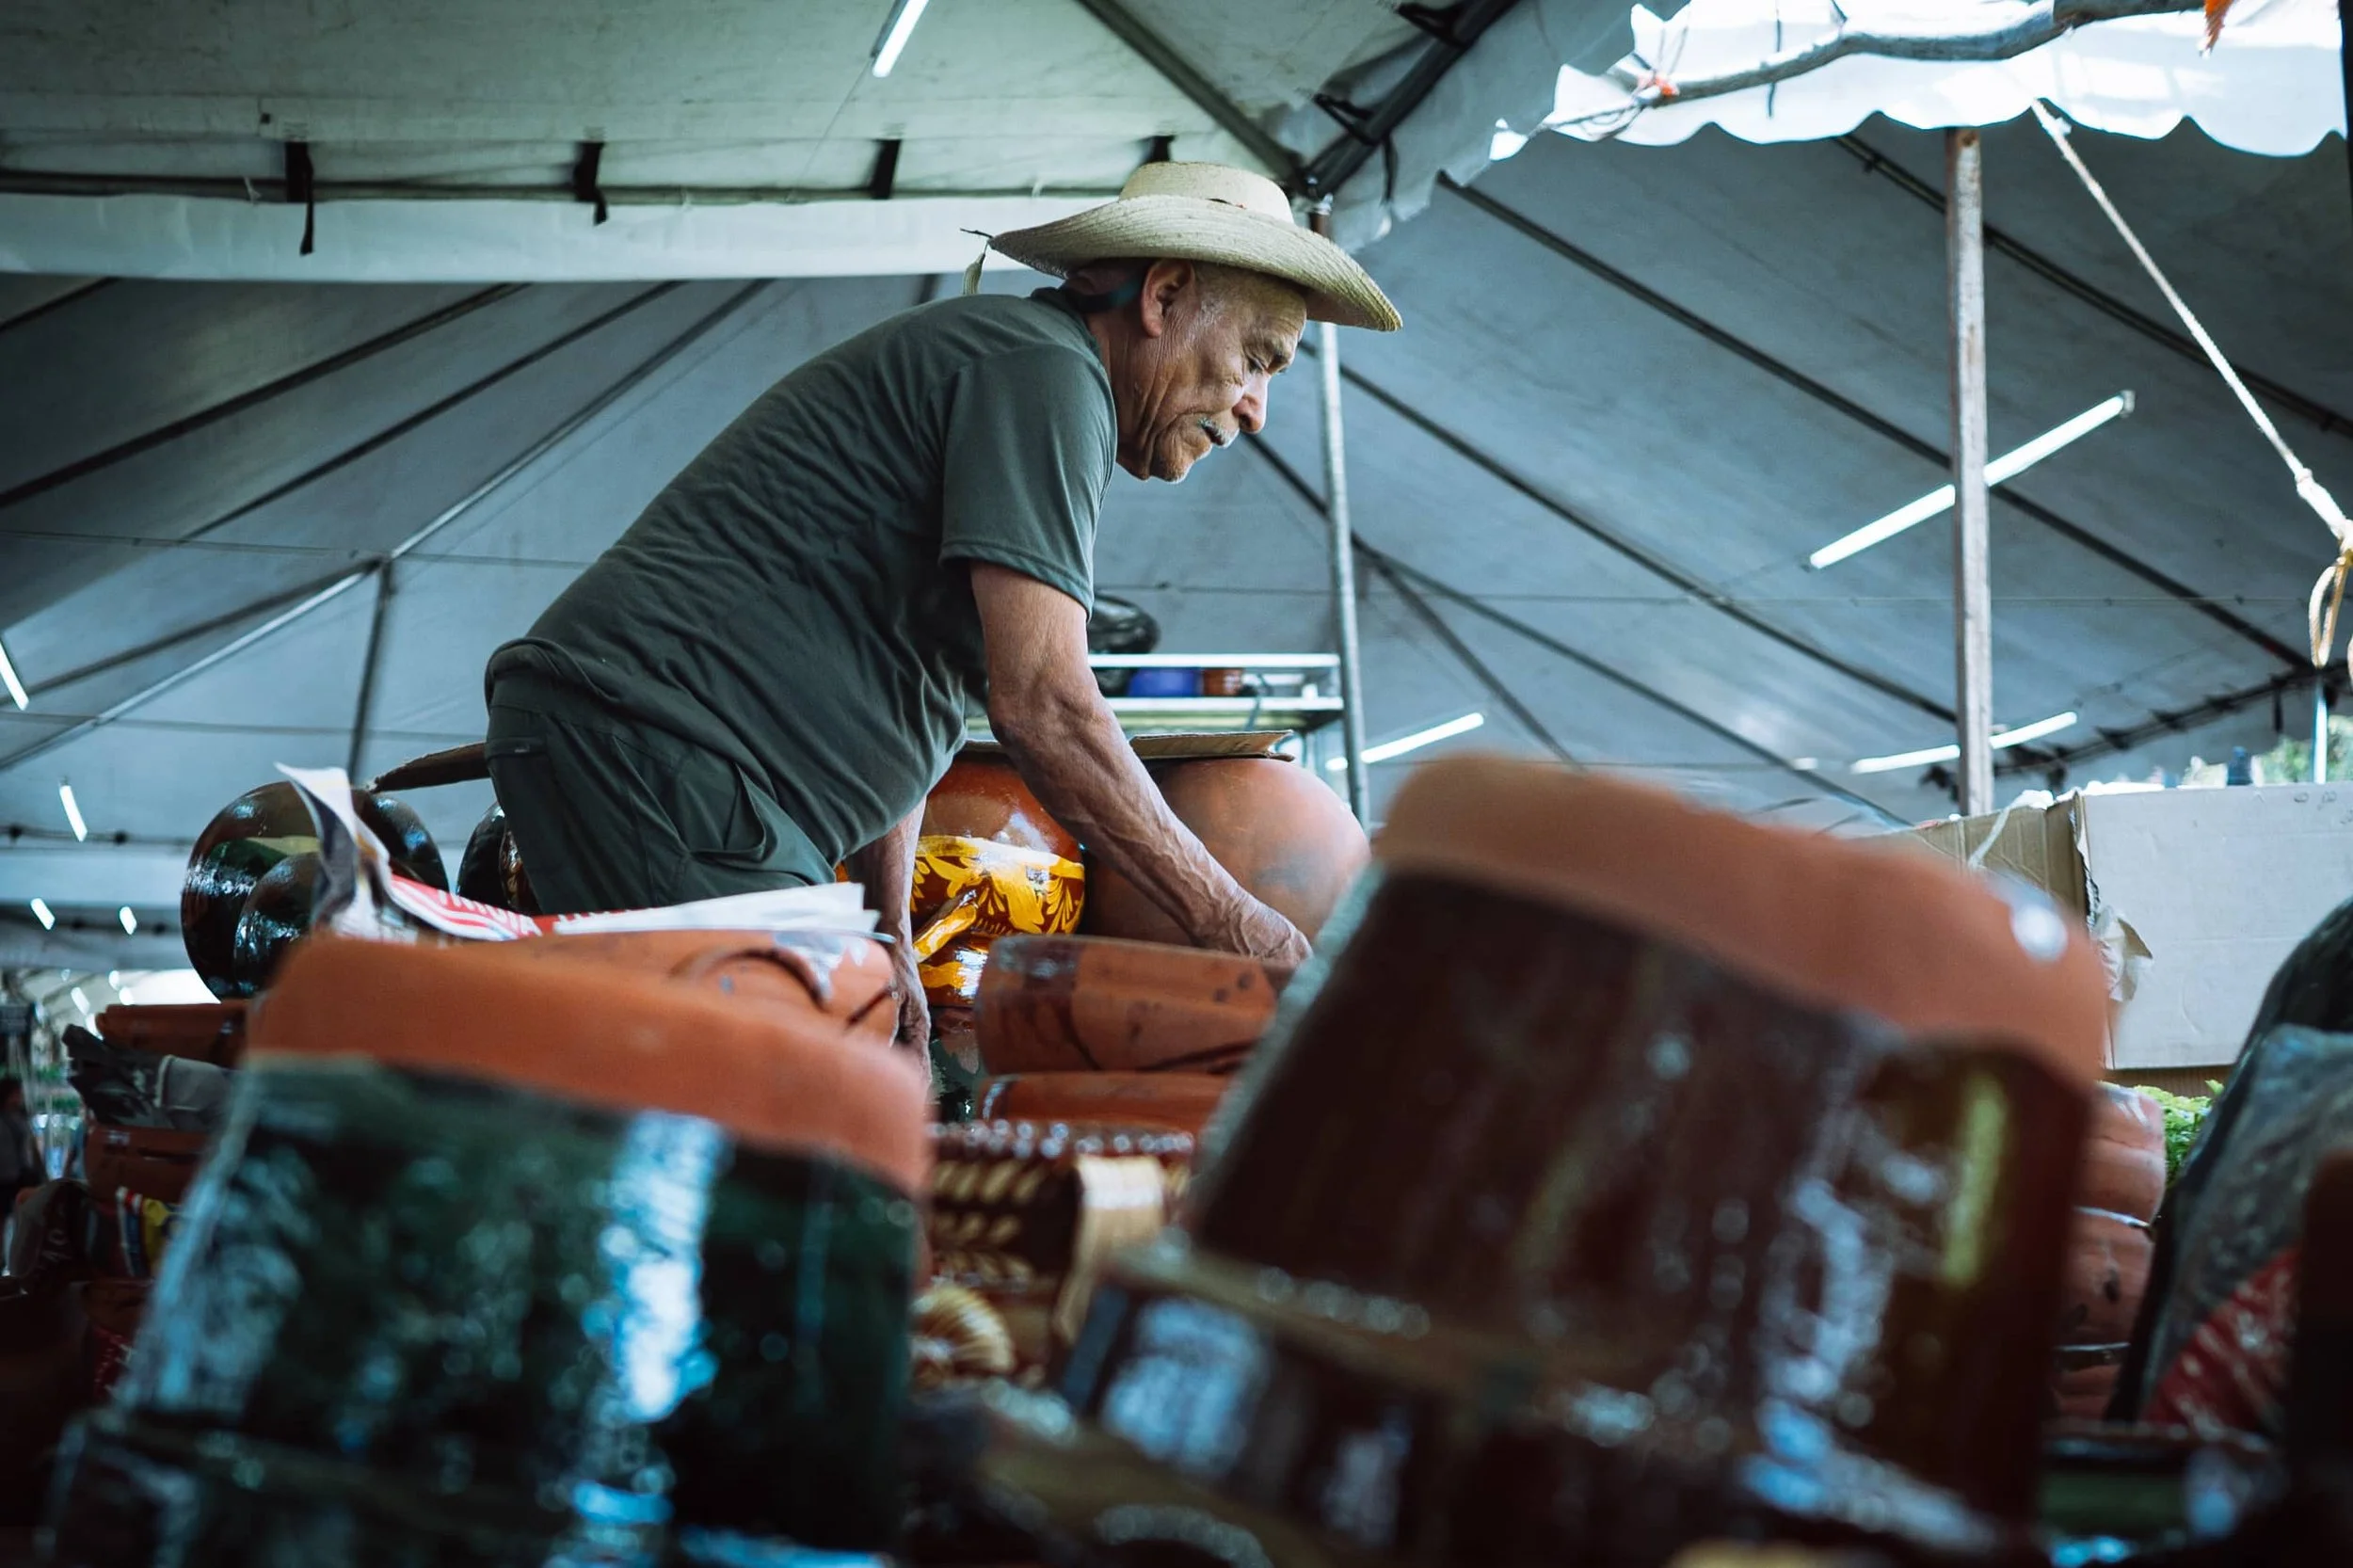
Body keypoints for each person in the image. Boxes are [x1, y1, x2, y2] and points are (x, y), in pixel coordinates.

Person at [482, 161, 1401, 1053]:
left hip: (664, 757)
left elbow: (911, 685)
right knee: (792, 1092)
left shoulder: (1030, 374)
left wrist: (891, 936)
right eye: (1255, 359)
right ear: (1162, 297)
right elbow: (1047, 707)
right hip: (657, 749)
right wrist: (1234, 920)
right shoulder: (1043, 373)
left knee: (804, 1073)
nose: (1255, 409)